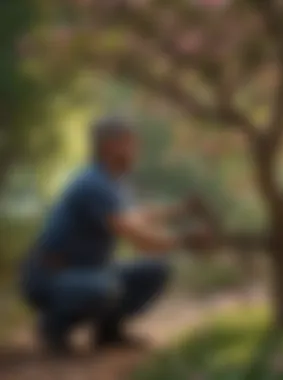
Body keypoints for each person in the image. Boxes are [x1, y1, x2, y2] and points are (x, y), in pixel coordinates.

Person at [20, 115, 214, 354]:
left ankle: (108, 333)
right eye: (131, 143)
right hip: (50, 277)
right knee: (102, 288)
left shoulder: (112, 183)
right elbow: (140, 238)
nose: (136, 151)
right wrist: (186, 241)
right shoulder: (93, 184)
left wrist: (181, 209)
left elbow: (135, 216)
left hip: (87, 270)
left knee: (153, 271)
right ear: (111, 145)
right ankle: (53, 326)